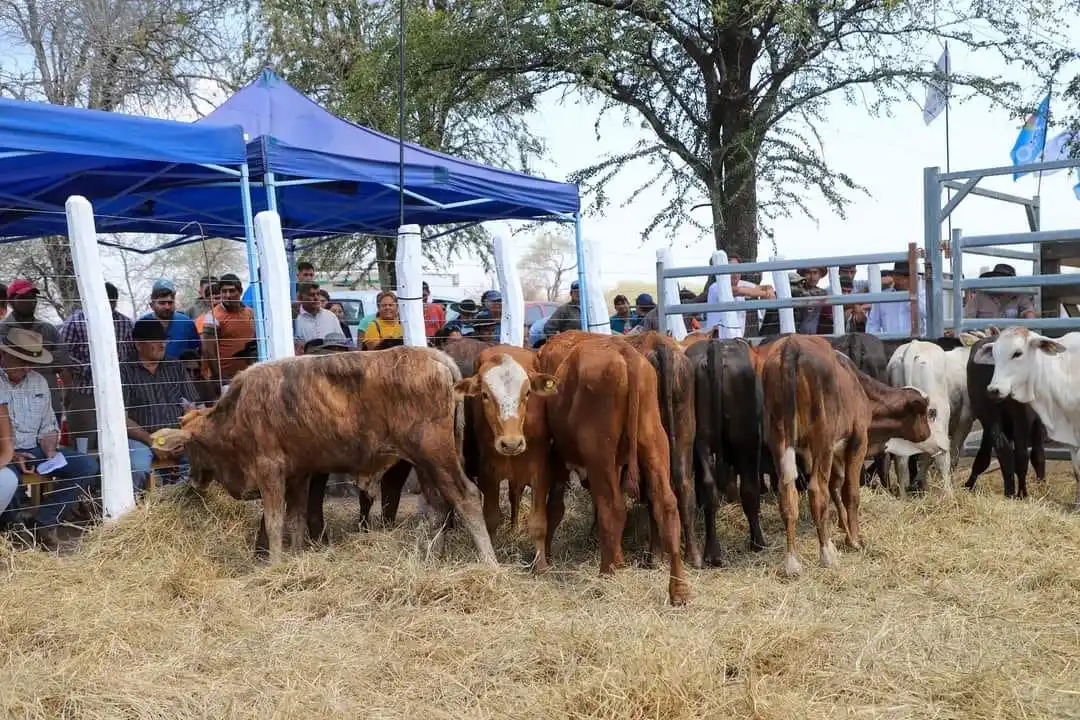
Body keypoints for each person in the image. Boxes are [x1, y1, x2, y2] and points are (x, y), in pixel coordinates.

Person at [0, 327, 98, 547]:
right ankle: (13, 528)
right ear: (4, 355)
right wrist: (12, 454)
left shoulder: (38, 381)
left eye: (30, 362)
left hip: (36, 449)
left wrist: (51, 449)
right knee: (9, 478)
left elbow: (48, 425)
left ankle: (44, 520)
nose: (27, 368)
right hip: (5, 454)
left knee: (87, 466)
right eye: (21, 360)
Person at [121, 318, 199, 492]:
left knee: (201, 456)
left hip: (176, 435)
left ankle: (189, 505)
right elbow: (121, 419)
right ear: (139, 345)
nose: (162, 345)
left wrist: (185, 436)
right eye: (156, 341)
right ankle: (134, 513)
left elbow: (192, 408)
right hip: (140, 438)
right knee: (138, 467)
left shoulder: (175, 366)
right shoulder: (124, 370)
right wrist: (151, 441)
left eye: (164, 340)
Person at [58, 282, 135, 454]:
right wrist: (75, 382)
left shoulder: (125, 323)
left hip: (116, 394)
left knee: (114, 443)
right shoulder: (75, 321)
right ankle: (85, 479)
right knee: (83, 444)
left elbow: (130, 355)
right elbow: (63, 356)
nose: (108, 306)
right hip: (85, 391)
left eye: (112, 302)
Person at [1, 279, 65, 419]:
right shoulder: (2, 331)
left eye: (32, 297)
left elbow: (63, 363)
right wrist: (44, 359)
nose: (29, 301)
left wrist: (20, 359)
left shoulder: (49, 330)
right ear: (11, 301)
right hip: (12, 408)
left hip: (49, 405)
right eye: (23, 298)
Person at [201, 273, 257, 385]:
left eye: (231, 291)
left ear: (240, 291)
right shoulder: (212, 317)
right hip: (226, 379)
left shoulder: (249, 313)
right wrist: (219, 378)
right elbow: (209, 351)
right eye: (224, 291)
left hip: (249, 375)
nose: (227, 295)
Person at [140, 278, 200, 360]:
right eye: (162, 303)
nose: (167, 307)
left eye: (170, 302)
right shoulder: (143, 325)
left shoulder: (186, 323)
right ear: (152, 305)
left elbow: (196, 352)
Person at [866, 261, 926, 336]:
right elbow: (872, 326)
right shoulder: (882, 298)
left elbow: (927, 315)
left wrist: (911, 295)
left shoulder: (923, 295)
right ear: (895, 277)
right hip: (891, 344)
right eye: (906, 275)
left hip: (917, 344)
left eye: (912, 275)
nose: (909, 279)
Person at [963, 263, 1038, 320]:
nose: (1001, 282)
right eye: (998, 279)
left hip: (1011, 337)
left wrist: (1029, 315)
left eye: (1005, 280)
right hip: (986, 338)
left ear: (1012, 283)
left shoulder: (1019, 297)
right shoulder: (980, 297)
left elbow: (1030, 313)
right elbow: (967, 319)